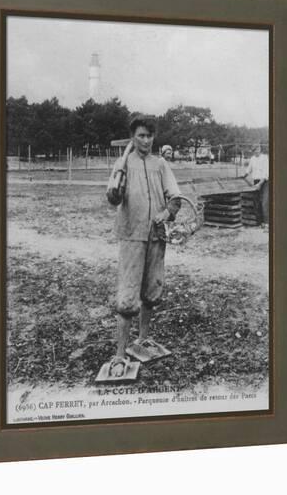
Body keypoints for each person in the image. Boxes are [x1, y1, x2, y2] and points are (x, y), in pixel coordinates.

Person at [106, 115, 181, 377]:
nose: (146, 140)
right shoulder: (123, 162)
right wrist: (116, 187)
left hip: (156, 236)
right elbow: (112, 199)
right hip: (132, 235)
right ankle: (119, 354)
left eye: (149, 136)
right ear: (132, 137)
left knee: (151, 291)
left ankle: (143, 339)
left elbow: (175, 197)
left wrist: (167, 213)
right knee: (127, 297)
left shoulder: (160, 164)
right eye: (141, 135)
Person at [243, 144, 269, 226]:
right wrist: (243, 176)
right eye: (254, 150)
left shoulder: (265, 158)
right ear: (253, 151)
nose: (256, 151)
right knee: (256, 201)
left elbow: (266, 173)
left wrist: (260, 184)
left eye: (257, 149)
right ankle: (259, 222)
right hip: (256, 181)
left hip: (264, 182)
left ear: (260, 149)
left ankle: (266, 222)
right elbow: (249, 169)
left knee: (264, 202)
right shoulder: (252, 159)